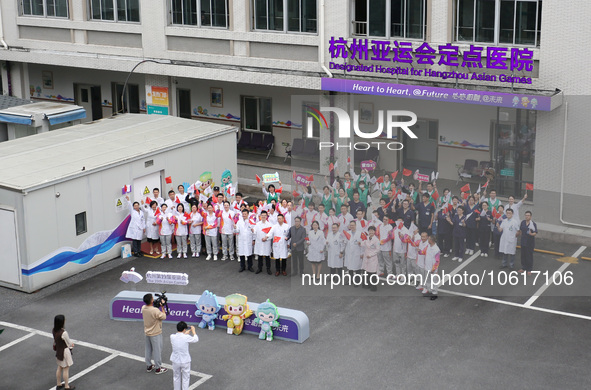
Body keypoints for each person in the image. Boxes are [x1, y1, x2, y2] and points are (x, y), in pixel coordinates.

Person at [142, 293, 168, 375]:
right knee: (157, 350)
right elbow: (163, 316)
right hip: (156, 333)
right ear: (152, 300)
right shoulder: (155, 311)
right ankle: (158, 368)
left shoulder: (143, 308)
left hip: (147, 332)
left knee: (148, 350)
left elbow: (153, 311)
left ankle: (149, 365)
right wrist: (162, 306)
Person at [170, 322, 198, 390]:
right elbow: (196, 339)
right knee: (186, 378)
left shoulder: (172, 336)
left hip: (175, 360)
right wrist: (193, 331)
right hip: (185, 361)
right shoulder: (186, 337)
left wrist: (185, 333)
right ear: (184, 329)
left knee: (176, 377)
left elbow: (180, 337)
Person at [52, 314, 75, 390]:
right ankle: (67, 386)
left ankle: (58, 384)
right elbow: (69, 343)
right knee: (66, 368)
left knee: (60, 367)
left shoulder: (54, 330)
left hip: (59, 351)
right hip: (65, 352)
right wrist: (72, 345)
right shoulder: (64, 333)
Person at [422, 235, 441, 300]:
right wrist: (419, 251)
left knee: (434, 281)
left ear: (431, 241)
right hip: (427, 267)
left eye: (429, 239)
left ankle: (434, 293)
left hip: (433, 269)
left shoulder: (436, 249)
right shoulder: (428, 246)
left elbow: (437, 261)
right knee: (428, 280)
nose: (427, 240)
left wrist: (433, 269)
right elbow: (423, 252)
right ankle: (430, 291)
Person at [361, 226, 380, 291]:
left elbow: (378, 250)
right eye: (370, 231)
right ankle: (366, 285)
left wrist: (371, 255)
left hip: (372, 258)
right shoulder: (366, 238)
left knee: (372, 273)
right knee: (366, 272)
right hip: (366, 257)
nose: (371, 232)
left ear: (374, 232)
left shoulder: (376, 240)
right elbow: (362, 244)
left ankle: (373, 287)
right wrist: (360, 242)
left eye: (372, 231)